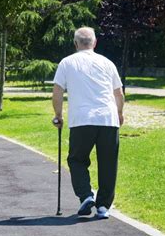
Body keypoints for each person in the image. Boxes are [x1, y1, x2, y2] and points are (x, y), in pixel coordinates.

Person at [52, 27, 124, 219]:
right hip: (108, 119)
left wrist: (58, 115)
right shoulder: (107, 63)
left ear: (76, 44)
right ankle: (103, 206)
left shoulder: (67, 63)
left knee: (76, 159)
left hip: (82, 120)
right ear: (95, 42)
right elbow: (119, 93)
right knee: (108, 164)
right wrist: (119, 113)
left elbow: (57, 92)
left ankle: (85, 195)